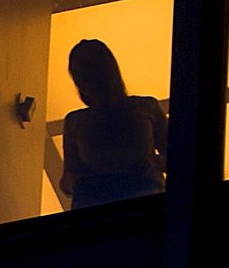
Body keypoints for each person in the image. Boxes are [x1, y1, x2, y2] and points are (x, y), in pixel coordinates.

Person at [55, 36, 167, 208]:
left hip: (95, 207)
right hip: (144, 201)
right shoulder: (146, 107)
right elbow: (177, 159)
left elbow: (68, 182)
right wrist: (150, 164)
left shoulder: (76, 122)